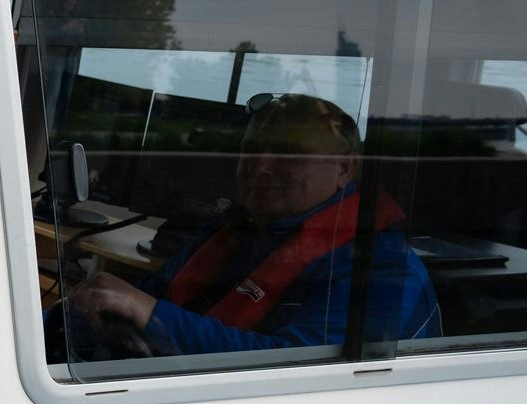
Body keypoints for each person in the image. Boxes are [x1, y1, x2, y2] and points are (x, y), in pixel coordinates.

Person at [66, 92, 440, 356]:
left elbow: (298, 374)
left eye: (288, 154)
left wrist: (152, 315)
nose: (260, 167)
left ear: (344, 168)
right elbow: (135, 300)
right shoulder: (238, 232)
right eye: (251, 149)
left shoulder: (385, 271)